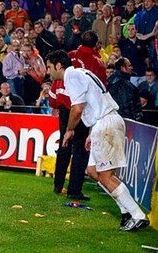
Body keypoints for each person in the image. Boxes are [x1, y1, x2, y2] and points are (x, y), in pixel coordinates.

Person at [46, 50, 149, 232]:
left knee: (105, 176)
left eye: (49, 67)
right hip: (102, 123)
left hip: (106, 123)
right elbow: (94, 102)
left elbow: (77, 109)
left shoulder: (71, 76)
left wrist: (69, 130)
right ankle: (125, 212)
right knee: (93, 171)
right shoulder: (83, 72)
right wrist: (90, 133)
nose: (48, 72)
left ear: (58, 66)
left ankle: (137, 215)